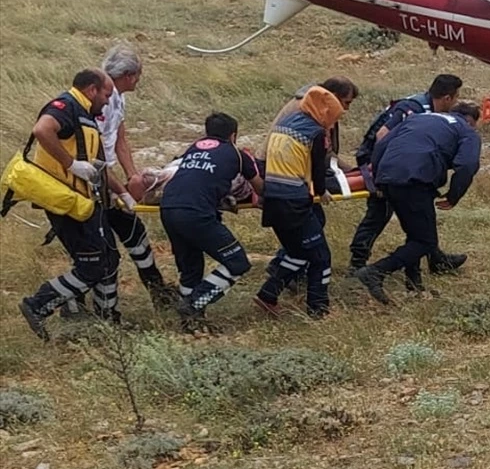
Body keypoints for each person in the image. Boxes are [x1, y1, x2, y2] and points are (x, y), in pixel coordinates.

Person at [18, 70, 121, 338]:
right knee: (92, 265)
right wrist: (71, 164)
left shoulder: (85, 115)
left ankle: (108, 321)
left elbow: (98, 165)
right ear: (92, 89)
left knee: (109, 258)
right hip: (67, 202)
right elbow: (42, 130)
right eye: (106, 95)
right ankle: (38, 304)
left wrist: (122, 193)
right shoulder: (67, 106)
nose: (107, 102)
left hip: (84, 202)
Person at [355, 102, 481, 304]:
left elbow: (382, 144)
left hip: (389, 176)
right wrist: (454, 195)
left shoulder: (417, 118)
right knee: (425, 242)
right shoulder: (466, 130)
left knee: (416, 232)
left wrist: (378, 177)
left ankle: (414, 284)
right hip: (416, 180)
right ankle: (376, 271)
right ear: (471, 121)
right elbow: (467, 165)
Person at [348, 74, 467, 277]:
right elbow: (382, 136)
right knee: (380, 211)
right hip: (380, 161)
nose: (456, 102)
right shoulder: (414, 108)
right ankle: (357, 262)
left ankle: (434, 258)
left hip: (398, 164)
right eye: (456, 97)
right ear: (447, 98)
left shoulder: (428, 109)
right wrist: (379, 175)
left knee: (422, 210)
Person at [159, 113, 263, 331]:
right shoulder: (238, 154)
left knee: (191, 268)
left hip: (168, 208)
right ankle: (194, 304)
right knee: (237, 262)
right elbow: (260, 188)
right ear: (233, 135)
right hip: (196, 213)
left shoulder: (193, 148)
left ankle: (191, 325)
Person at [254, 83, 350, 318]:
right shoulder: (315, 133)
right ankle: (318, 309)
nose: (332, 124)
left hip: (273, 199)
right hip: (294, 202)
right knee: (321, 257)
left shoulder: (285, 124)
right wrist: (321, 192)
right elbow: (318, 169)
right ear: (324, 112)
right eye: (333, 117)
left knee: (297, 253)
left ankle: (268, 295)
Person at [95, 44, 174, 310]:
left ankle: (157, 290)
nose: (139, 79)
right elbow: (94, 152)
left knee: (133, 232)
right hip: (96, 179)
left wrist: (133, 176)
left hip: (107, 177)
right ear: (128, 76)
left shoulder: (118, 98)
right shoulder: (103, 101)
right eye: (138, 74)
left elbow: (120, 139)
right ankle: (95, 308)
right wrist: (121, 190)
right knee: (101, 250)